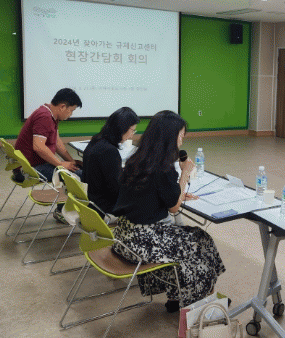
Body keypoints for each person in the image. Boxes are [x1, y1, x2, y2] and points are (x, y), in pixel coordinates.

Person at [112, 110, 225, 308]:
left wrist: (176, 192)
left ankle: (177, 296)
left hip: (124, 236)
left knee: (192, 239)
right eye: (180, 136)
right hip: (143, 242)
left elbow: (152, 195)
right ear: (169, 138)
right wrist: (184, 174)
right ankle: (202, 303)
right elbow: (174, 207)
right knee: (200, 242)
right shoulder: (163, 167)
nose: (182, 140)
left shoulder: (137, 159)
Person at [14, 88, 83, 182]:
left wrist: (72, 162)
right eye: (71, 110)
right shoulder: (44, 117)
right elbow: (39, 147)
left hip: (33, 166)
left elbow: (57, 143)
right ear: (62, 107)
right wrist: (61, 164)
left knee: (79, 170)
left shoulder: (51, 115)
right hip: (27, 170)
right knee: (81, 174)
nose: (71, 114)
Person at [82, 107, 139, 215]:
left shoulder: (96, 140)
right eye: (132, 130)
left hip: (92, 199)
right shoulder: (109, 151)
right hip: (105, 205)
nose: (132, 135)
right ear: (123, 128)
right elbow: (116, 189)